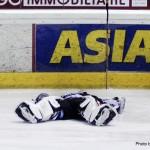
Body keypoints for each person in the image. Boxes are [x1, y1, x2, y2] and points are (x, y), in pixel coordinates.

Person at [15, 91, 125, 126]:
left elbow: (118, 103)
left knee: (88, 102)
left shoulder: (83, 95)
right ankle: (34, 113)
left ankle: (98, 115)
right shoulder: (57, 98)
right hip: (65, 108)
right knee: (50, 103)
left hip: (78, 105)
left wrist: (116, 103)